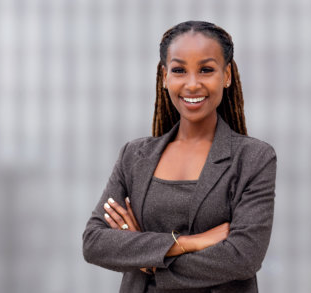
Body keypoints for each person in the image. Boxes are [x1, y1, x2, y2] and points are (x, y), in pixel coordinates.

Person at [83, 20, 277, 292]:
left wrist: (149, 263)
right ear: (165, 77)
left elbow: (242, 257)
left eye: (206, 70)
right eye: (179, 70)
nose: (192, 84)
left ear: (227, 75)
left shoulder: (254, 158)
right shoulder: (134, 156)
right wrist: (188, 242)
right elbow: (94, 243)